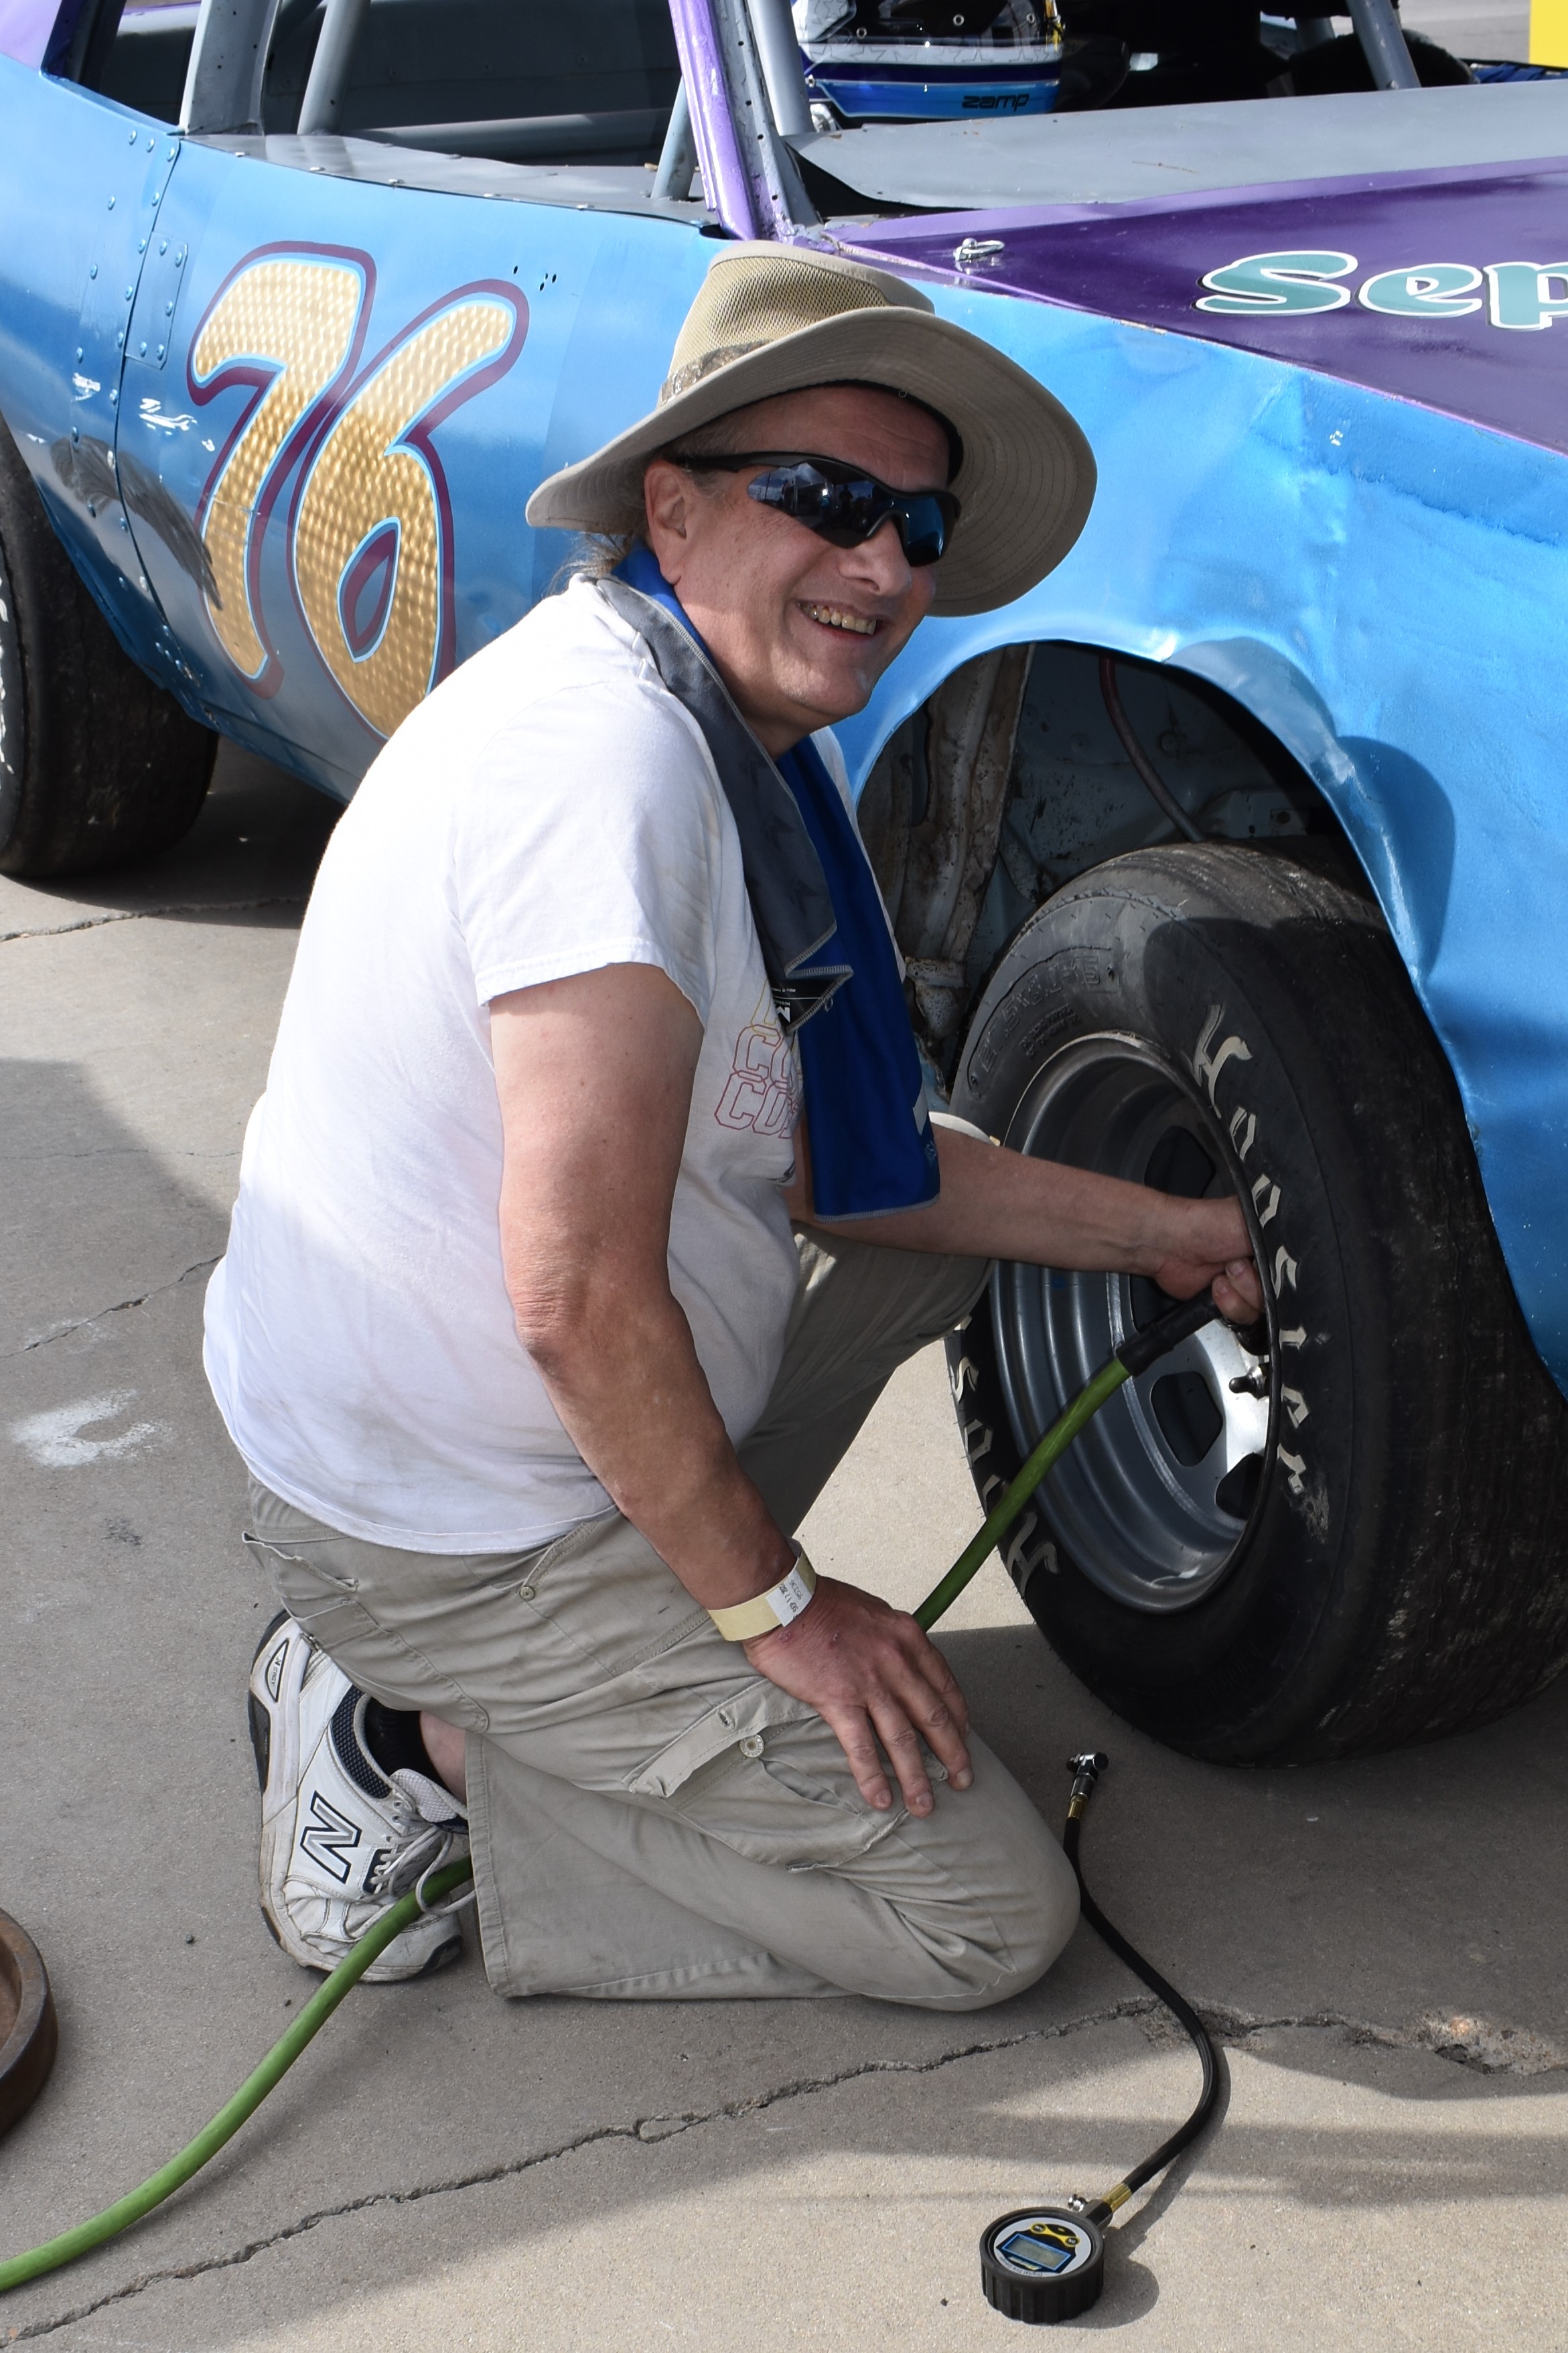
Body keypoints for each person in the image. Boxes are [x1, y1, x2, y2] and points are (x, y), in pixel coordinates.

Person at [208, 244, 1262, 2007]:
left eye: (916, 529)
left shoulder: (720, 734)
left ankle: (560, 1662)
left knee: (923, 1246)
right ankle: (411, 1741)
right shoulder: (608, 773)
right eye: (828, 500)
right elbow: (576, 1298)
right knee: (990, 1924)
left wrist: (1177, 1236)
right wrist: (780, 1611)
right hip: (450, 1531)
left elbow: (864, 1170)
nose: (881, 564)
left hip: (495, 1434)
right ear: (675, 510)